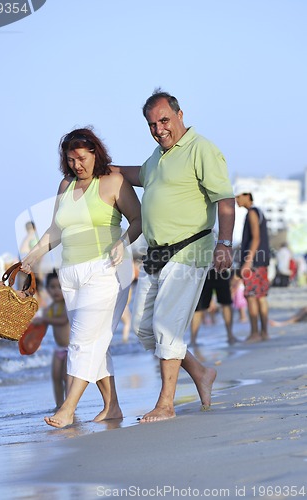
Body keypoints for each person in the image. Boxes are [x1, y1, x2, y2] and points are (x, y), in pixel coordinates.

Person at [113, 90, 235, 422]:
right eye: (152, 124)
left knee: (167, 325)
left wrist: (225, 243)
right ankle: (200, 372)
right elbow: (142, 174)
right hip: (155, 254)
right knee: (142, 328)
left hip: (190, 249)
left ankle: (166, 404)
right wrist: (106, 168)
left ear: (180, 114)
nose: (159, 129)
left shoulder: (201, 149)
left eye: (164, 120)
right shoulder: (158, 156)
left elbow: (225, 199)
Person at [21, 127, 142, 428]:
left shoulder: (114, 182)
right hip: (70, 273)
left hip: (106, 270)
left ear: (95, 153)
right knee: (95, 341)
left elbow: (139, 219)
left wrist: (123, 241)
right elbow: (56, 230)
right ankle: (112, 407)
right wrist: (31, 258)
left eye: (81, 158)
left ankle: (68, 407)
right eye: (71, 159)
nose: (77, 164)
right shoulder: (66, 185)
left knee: (81, 341)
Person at [235, 185, 270, 342]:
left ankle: (255, 333)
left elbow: (255, 238)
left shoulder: (251, 213)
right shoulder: (259, 211)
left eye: (238, 196)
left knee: (251, 296)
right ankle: (264, 333)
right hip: (261, 261)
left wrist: (247, 262)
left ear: (247, 195)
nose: (236, 200)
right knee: (261, 297)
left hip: (254, 262)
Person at [32, 271, 70, 409]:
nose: (56, 291)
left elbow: (63, 320)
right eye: (52, 287)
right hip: (59, 348)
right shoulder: (51, 307)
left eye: (59, 287)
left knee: (67, 378)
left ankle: (68, 404)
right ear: (47, 289)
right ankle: (59, 404)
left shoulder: (67, 304)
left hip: (70, 348)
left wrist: (45, 319)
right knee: (55, 377)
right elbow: (43, 325)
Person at [190, 269, 238, 346]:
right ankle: (193, 340)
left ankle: (230, 335)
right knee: (199, 307)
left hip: (219, 269)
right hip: (204, 270)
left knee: (226, 302)